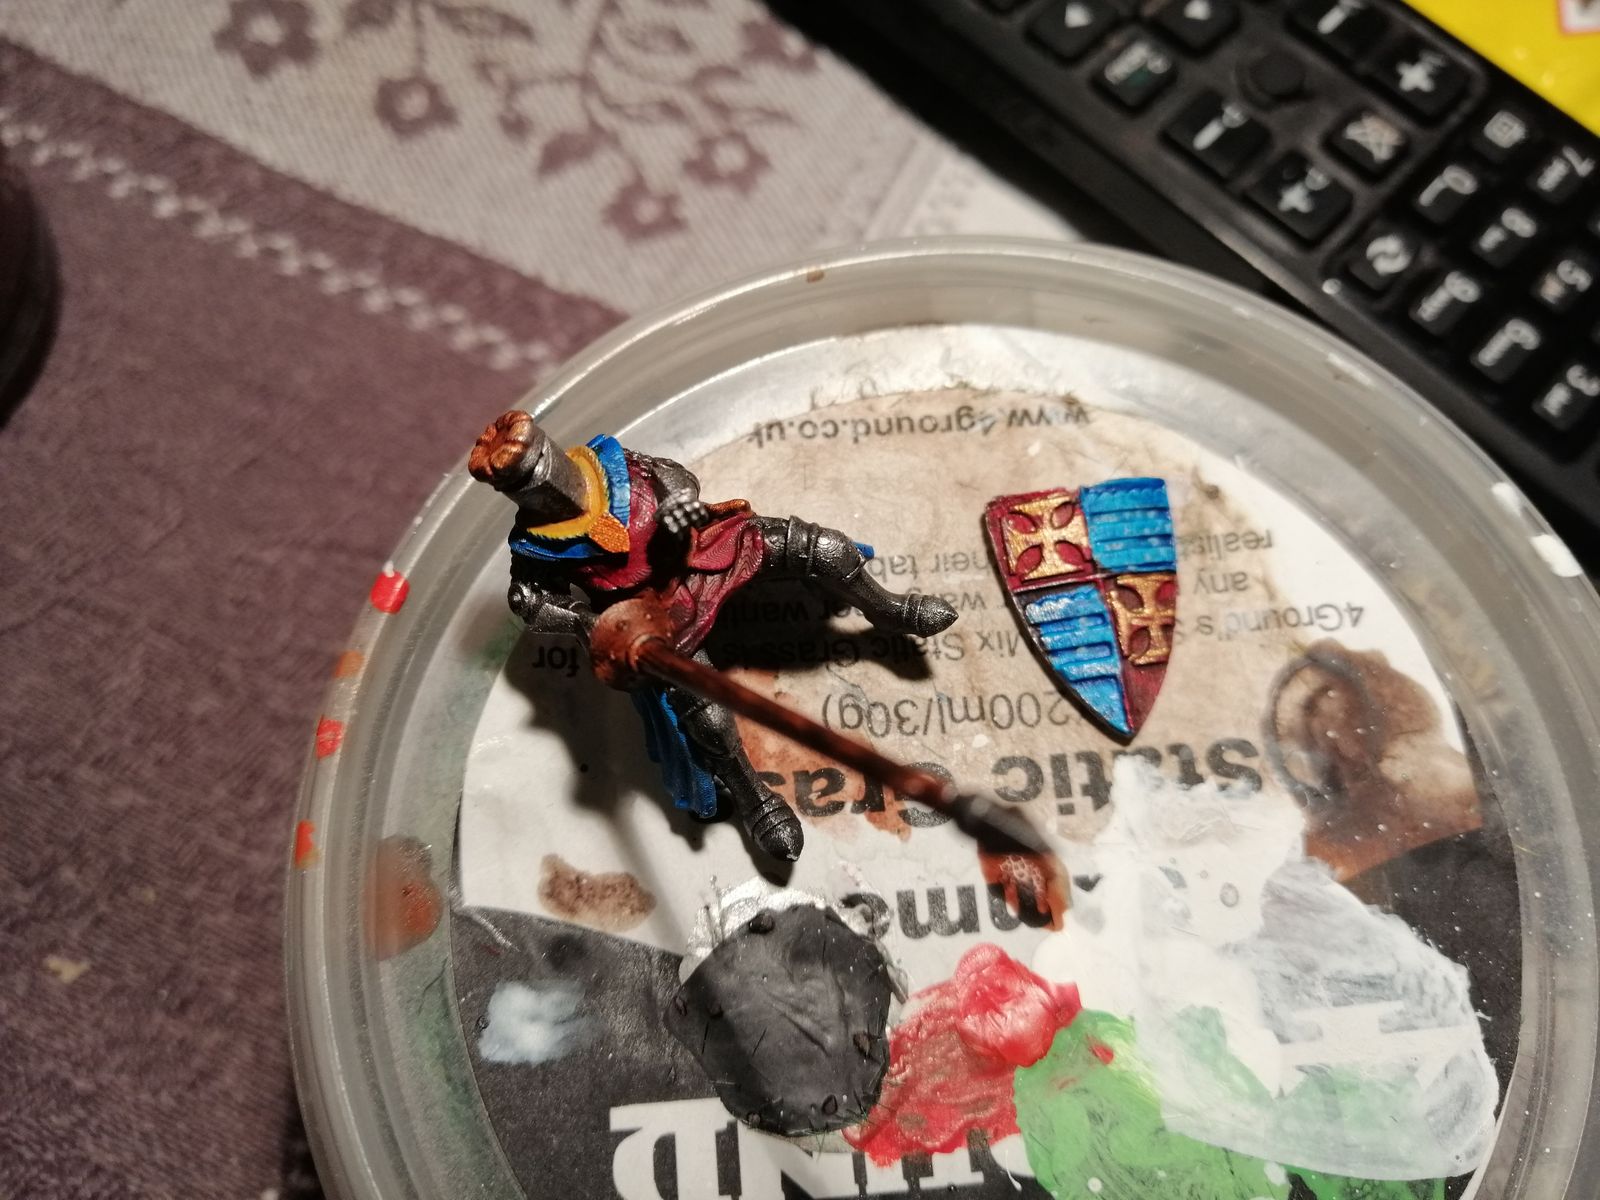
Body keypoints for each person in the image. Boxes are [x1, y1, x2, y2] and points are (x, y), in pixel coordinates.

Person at [468, 410, 957, 861]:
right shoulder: (533, 545)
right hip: (655, 612)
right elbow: (528, 601)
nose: (547, 485)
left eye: (543, 467)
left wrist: (678, 505)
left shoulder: (613, 464)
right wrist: (581, 619)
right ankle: (754, 798)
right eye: (528, 483)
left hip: (704, 551)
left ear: (552, 451)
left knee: (825, 548)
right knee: (707, 717)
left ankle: (889, 610)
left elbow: (674, 475)